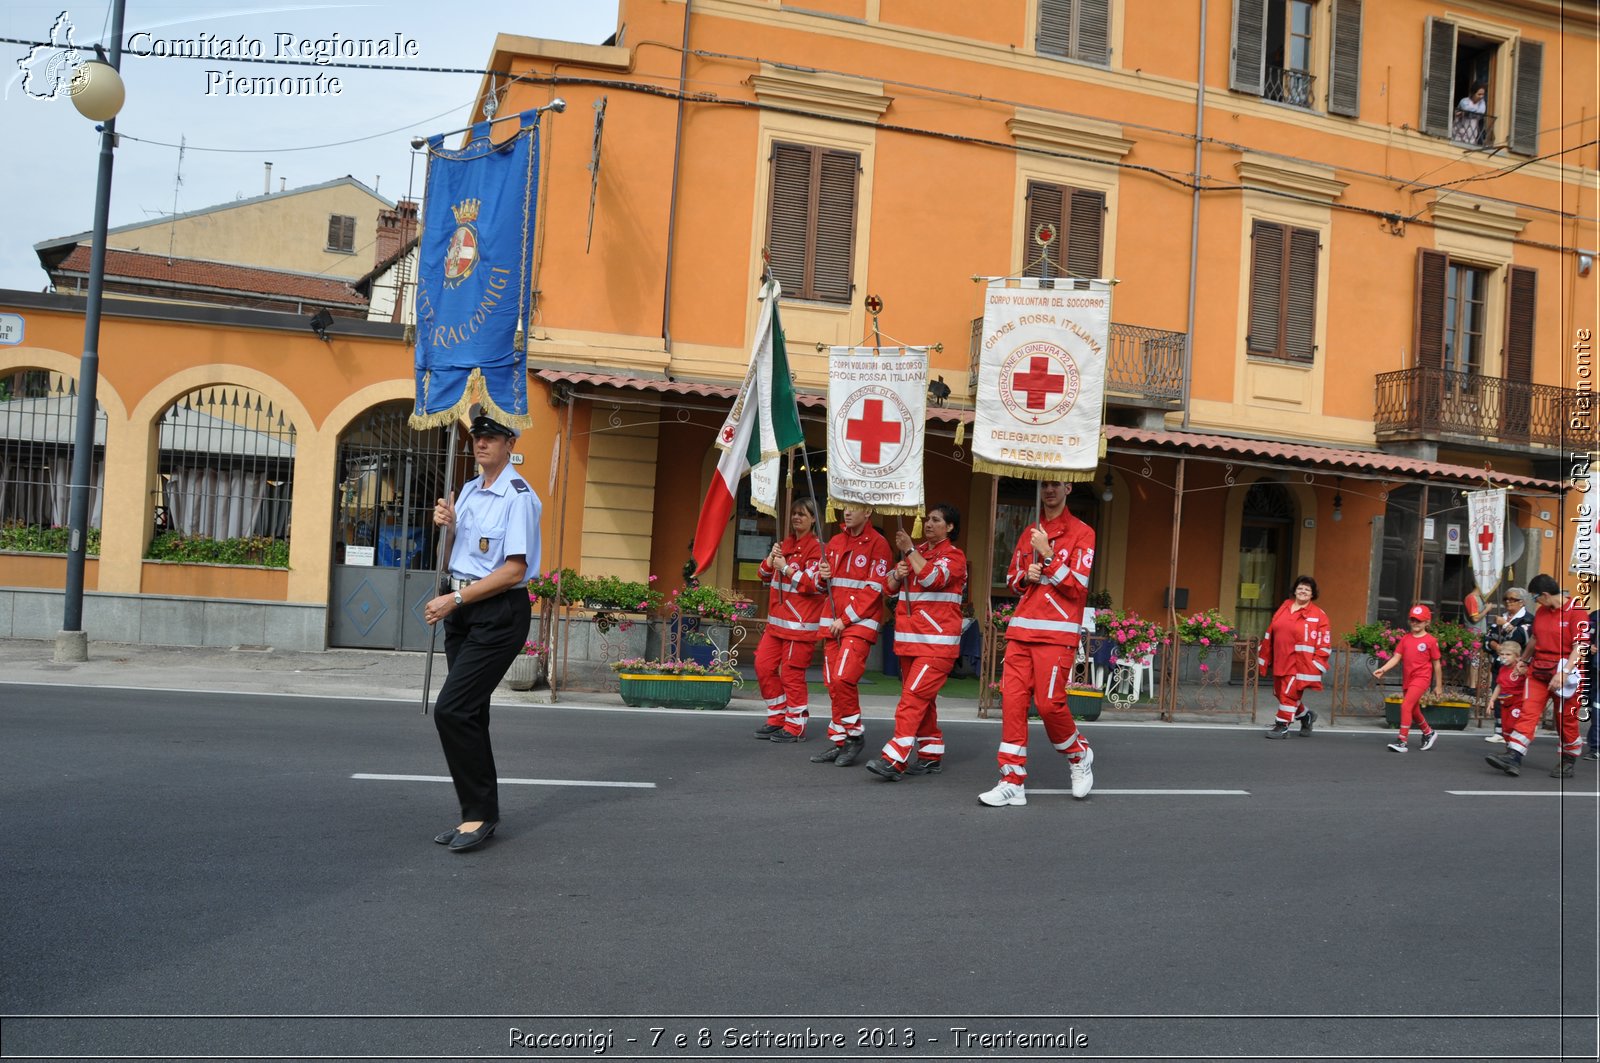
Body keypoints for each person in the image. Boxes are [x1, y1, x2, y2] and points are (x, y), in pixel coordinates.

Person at [424, 405, 541, 854]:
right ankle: (476, 812)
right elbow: (461, 556)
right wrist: (447, 528)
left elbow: (513, 571)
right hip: (464, 609)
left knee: (452, 710)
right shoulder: (468, 491)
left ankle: (479, 814)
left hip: (497, 613)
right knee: (471, 713)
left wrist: (453, 600)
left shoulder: (519, 497)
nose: (481, 442)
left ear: (511, 443)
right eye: (477, 435)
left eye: (492, 435)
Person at [978, 481, 1095, 807]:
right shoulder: (1030, 530)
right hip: (1021, 632)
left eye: (1056, 484)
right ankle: (1011, 780)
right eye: (1045, 485)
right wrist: (1024, 576)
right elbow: (1012, 579)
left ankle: (1078, 754)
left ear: (1068, 487)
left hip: (1057, 635)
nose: (1050, 490)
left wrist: (1047, 554)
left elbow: (1078, 587)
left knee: (1048, 705)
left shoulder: (1083, 532)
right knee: (1012, 704)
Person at [865, 504, 968, 781]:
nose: (929, 523)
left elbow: (933, 578)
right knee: (924, 701)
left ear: (950, 528)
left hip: (937, 645)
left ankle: (895, 758)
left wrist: (910, 551)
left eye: (936, 520)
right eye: (927, 519)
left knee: (911, 700)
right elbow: (886, 587)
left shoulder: (954, 557)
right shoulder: (919, 552)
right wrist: (897, 574)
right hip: (910, 642)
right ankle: (931, 755)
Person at [810, 503, 891, 767]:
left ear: (868, 511)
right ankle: (840, 741)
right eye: (844, 507)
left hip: (858, 622)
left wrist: (845, 620)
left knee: (844, 678)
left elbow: (873, 590)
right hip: (833, 621)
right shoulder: (834, 540)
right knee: (833, 683)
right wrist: (822, 578)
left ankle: (855, 736)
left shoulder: (879, 544)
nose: (847, 512)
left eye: (854, 508)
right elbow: (822, 586)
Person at [1488, 574, 1589, 779]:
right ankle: (1514, 756)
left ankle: (1568, 758)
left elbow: (1580, 646)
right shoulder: (1542, 611)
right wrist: (1523, 661)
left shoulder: (1576, 612)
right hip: (1539, 670)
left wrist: (1564, 672)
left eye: (1535, 598)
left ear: (1544, 594)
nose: (1536, 603)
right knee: (1528, 711)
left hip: (1566, 673)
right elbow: (1534, 638)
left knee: (1565, 720)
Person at [753, 498, 826, 743]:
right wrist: (771, 560)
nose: (796, 518)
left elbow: (813, 585)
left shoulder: (818, 549)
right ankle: (777, 716)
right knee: (763, 666)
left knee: (792, 675)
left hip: (800, 626)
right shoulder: (785, 544)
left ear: (814, 518)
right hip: (776, 623)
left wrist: (785, 568)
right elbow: (763, 575)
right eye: (794, 513)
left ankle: (795, 725)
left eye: (802, 514)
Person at [1258, 575, 1332, 738]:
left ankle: (1282, 726)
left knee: (1288, 693)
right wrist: (1265, 651)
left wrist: (1316, 663)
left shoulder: (1319, 615)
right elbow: (1272, 630)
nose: (1303, 591)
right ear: (1295, 591)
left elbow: (1324, 641)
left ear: (1312, 594)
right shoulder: (1285, 606)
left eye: (1307, 589)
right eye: (1300, 588)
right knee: (1279, 692)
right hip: (1280, 659)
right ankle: (1306, 716)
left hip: (1300, 663)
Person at [1372, 604, 1442, 753]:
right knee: (1414, 710)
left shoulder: (1430, 641)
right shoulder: (1405, 639)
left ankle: (1402, 741)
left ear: (1427, 622)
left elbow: (1436, 664)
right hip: (1408, 678)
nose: (1415, 623)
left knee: (1406, 706)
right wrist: (1383, 669)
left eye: (1419, 620)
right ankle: (1429, 732)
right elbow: (1396, 657)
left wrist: (1438, 685)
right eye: (1413, 620)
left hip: (1421, 678)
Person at [1484, 586, 1532, 743]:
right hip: (1500, 663)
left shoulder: (1528, 619)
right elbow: (1487, 638)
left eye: (1513, 600)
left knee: (1515, 697)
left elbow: (1522, 637)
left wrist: (1505, 624)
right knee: (1498, 694)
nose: (1509, 603)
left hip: (1517, 667)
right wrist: (1496, 647)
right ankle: (1499, 730)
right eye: (1506, 599)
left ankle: (1515, 729)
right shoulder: (1500, 617)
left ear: (1522, 602)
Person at [1490, 642, 1526, 745]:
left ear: (1517, 656)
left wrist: (1525, 671)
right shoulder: (1502, 669)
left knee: (1512, 724)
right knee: (1505, 728)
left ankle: (1516, 746)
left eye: (1508, 654)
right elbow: (1499, 685)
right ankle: (1508, 748)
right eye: (1502, 654)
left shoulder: (1521, 669)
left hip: (1517, 702)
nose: (1504, 657)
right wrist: (1492, 700)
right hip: (1504, 702)